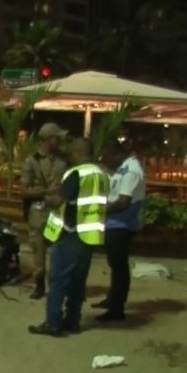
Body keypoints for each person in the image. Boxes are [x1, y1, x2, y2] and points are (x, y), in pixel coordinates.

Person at [29, 137, 110, 337]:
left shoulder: (77, 173)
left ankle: (53, 323)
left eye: (71, 153)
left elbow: (58, 201)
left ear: (78, 153)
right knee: (77, 281)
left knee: (58, 280)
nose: (70, 158)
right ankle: (73, 320)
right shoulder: (101, 174)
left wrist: (45, 197)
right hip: (89, 236)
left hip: (70, 233)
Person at [92, 140, 145, 322]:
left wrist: (98, 212)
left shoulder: (131, 170)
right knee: (115, 265)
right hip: (115, 223)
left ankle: (117, 309)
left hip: (122, 224)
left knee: (119, 266)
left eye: (106, 158)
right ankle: (112, 300)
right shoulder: (123, 167)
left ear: (116, 154)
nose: (105, 162)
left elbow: (123, 202)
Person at [21, 123, 68, 300]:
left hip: (57, 211)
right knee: (38, 250)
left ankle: (57, 284)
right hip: (39, 210)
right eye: (57, 137)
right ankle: (39, 284)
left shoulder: (64, 159)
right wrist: (45, 192)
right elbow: (24, 191)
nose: (60, 140)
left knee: (58, 250)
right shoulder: (32, 161)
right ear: (50, 139)